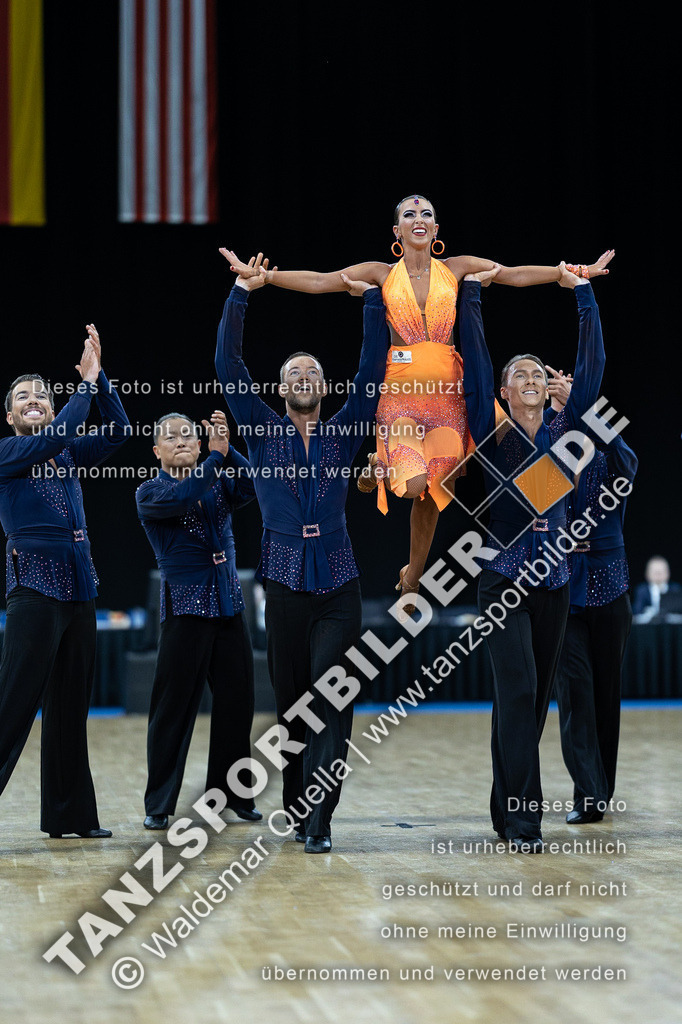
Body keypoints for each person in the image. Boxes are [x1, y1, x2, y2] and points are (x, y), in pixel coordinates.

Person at [220, 198, 613, 610]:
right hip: (400, 399)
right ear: (397, 231)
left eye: (426, 214)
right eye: (409, 215)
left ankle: (413, 578)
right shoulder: (381, 274)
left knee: (440, 489)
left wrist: (568, 273)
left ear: (436, 229)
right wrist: (265, 277)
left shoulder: (457, 268)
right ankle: (382, 463)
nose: (418, 219)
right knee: (414, 486)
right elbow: (320, 282)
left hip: (448, 399)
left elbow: (512, 274)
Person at [215, 254, 389, 853]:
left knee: (331, 699)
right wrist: (242, 294)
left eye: (312, 371)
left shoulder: (344, 430)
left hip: (339, 585)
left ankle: (320, 818)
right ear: (282, 387)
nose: (304, 377)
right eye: (293, 372)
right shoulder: (261, 431)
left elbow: (372, 370)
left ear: (322, 384)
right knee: (293, 709)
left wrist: (371, 297)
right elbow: (227, 365)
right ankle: (295, 805)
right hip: (285, 585)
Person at [458, 262, 607, 851]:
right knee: (518, 694)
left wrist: (584, 295)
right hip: (501, 580)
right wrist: (470, 297)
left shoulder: (570, 429)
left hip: (555, 580)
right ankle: (525, 823)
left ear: (547, 387)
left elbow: (592, 370)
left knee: (530, 704)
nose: (528, 378)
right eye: (517, 373)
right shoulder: (492, 434)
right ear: (504, 390)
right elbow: (473, 366)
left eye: (535, 373)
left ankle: (503, 808)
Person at [0, 325, 129, 838]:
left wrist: (101, 384)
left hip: (80, 588)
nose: (34, 401)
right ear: (9, 416)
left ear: (53, 409)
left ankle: (69, 816)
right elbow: (55, 436)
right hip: (33, 587)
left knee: (70, 708)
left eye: (42, 396)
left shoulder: (67, 452)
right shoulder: (8, 454)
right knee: (13, 704)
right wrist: (84, 387)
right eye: (23, 398)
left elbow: (119, 431)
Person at [135, 408, 260, 830]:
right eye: (172, 437)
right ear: (156, 451)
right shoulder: (150, 492)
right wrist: (215, 458)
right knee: (174, 708)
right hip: (186, 609)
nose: (184, 441)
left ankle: (234, 796)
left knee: (237, 703)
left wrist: (228, 450)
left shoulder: (216, 476)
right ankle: (160, 802)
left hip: (228, 604)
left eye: (190, 434)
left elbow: (253, 483)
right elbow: (184, 497)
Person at [544, 375, 637, 824]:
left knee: (606, 693)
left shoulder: (604, 442)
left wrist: (588, 411)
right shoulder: (543, 437)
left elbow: (629, 467)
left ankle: (602, 792)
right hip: (561, 583)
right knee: (575, 691)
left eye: (562, 381)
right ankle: (588, 792)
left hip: (609, 582)